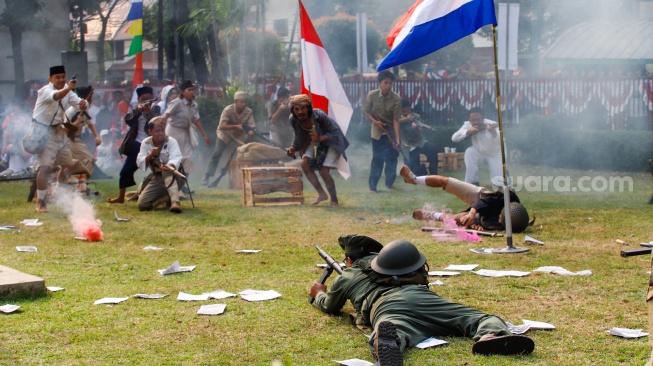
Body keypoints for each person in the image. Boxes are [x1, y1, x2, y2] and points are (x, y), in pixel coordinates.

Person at [310, 236, 535, 366]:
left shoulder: (347, 275)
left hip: (384, 306)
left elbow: (330, 307)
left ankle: (385, 342)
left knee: (392, 331)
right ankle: (491, 334)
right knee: (476, 317)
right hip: (420, 297)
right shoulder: (393, 261)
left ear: (348, 259)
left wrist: (318, 293)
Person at [399, 165, 531, 233]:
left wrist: (476, 225)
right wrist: (473, 213)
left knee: (459, 218)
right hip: (481, 197)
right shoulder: (508, 197)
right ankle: (414, 179)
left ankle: (431, 215)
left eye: (501, 222)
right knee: (446, 182)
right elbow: (485, 201)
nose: (498, 220)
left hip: (482, 212)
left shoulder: (510, 224)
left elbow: (485, 223)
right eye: (501, 218)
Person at [31, 65, 88, 213]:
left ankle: (57, 193)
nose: (61, 80)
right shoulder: (45, 91)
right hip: (44, 131)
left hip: (59, 130)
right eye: (58, 77)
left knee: (68, 165)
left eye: (63, 77)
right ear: (50, 79)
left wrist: (84, 104)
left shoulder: (67, 90)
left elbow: (80, 103)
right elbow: (56, 96)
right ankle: (41, 201)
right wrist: (68, 88)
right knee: (45, 168)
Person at [286, 94, 349, 207]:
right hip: (315, 141)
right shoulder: (293, 119)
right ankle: (321, 194)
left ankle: (334, 200)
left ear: (308, 108)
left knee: (324, 171)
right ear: (293, 110)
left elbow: (336, 132)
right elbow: (297, 135)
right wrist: (293, 148)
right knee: (304, 163)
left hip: (333, 141)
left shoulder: (319, 115)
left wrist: (321, 138)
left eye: (302, 108)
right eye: (296, 109)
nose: (300, 112)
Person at [107, 86, 160, 204]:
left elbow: (156, 123)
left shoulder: (156, 109)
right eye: (143, 99)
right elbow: (128, 121)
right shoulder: (136, 110)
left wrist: (147, 113)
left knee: (160, 170)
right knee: (125, 172)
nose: (147, 101)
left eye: (148, 99)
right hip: (137, 144)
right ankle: (121, 197)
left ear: (152, 98)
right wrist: (138, 111)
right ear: (139, 99)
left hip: (153, 144)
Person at [201, 91, 256, 187]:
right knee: (217, 153)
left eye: (245, 102)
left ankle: (238, 178)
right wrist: (236, 126)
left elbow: (252, 126)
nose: (244, 104)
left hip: (239, 135)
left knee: (243, 153)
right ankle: (207, 176)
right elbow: (221, 126)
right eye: (241, 102)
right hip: (225, 134)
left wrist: (251, 131)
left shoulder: (249, 111)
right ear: (235, 101)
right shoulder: (227, 110)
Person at [161, 80, 210, 178]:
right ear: (183, 92)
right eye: (189, 90)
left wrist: (204, 136)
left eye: (193, 90)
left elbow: (196, 120)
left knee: (188, 158)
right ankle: (169, 183)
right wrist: (161, 132)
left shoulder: (194, 105)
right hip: (173, 131)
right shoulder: (177, 103)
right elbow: (165, 117)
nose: (192, 92)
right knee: (173, 157)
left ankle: (182, 184)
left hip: (186, 132)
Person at [364, 70, 402, 192]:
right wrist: (375, 122)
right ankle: (372, 187)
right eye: (385, 83)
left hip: (390, 130)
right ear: (379, 83)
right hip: (377, 132)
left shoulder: (396, 99)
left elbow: (396, 120)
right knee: (377, 159)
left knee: (392, 159)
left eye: (390, 83)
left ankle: (389, 184)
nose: (388, 86)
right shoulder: (372, 95)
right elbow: (367, 111)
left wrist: (397, 138)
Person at [136, 116, 183, 213]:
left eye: (162, 130)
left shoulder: (171, 141)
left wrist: (169, 166)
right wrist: (151, 155)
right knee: (142, 205)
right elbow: (140, 161)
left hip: (174, 177)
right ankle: (166, 198)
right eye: (157, 131)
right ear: (150, 132)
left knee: (167, 171)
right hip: (157, 178)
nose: (161, 133)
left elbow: (176, 158)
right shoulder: (146, 143)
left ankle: (175, 202)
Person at [451, 107, 504, 186]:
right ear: (469, 120)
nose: (476, 122)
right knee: (470, 152)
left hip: (495, 154)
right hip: (479, 152)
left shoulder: (492, 124)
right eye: (473, 120)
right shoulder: (468, 125)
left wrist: (493, 132)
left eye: (478, 119)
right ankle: (472, 182)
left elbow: (500, 142)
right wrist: (468, 131)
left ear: (483, 118)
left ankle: (504, 175)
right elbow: (454, 138)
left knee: (499, 183)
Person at [65, 85, 101, 178]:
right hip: (67, 140)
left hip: (74, 140)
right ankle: (81, 184)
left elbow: (89, 124)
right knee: (87, 160)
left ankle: (78, 184)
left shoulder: (83, 109)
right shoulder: (73, 111)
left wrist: (97, 136)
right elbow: (66, 129)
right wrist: (77, 122)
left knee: (81, 161)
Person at [398, 99, 438, 176]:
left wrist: (415, 128)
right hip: (407, 144)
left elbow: (419, 133)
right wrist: (406, 119)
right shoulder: (397, 118)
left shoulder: (416, 116)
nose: (407, 113)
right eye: (404, 111)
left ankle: (434, 174)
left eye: (408, 110)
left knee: (432, 149)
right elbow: (393, 122)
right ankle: (422, 170)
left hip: (418, 141)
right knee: (413, 171)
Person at [1, 98, 32, 176]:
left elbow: (25, 157)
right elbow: (6, 131)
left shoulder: (28, 144)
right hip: (11, 170)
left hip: (25, 171)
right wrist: (5, 148)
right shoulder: (9, 117)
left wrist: (18, 143)